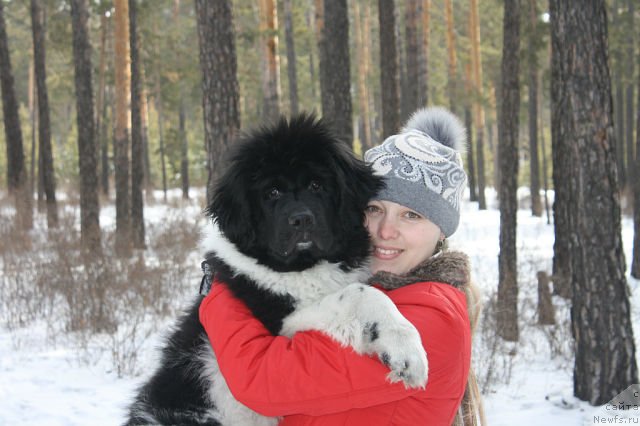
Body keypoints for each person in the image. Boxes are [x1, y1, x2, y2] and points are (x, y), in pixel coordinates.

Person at [199, 107, 485, 426]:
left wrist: (219, 294)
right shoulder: (367, 286)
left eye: (411, 216)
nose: (385, 231)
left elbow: (263, 382)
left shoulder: (428, 319)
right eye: (375, 209)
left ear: (442, 230)